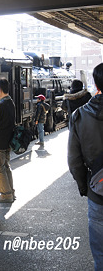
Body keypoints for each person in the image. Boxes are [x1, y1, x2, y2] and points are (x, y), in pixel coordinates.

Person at [68, 63, 103, 271]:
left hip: (97, 191)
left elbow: (74, 161)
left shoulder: (80, 116)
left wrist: (85, 187)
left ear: (96, 84)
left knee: (100, 253)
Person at [0, 78, 16, 203]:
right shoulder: (10, 102)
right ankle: (11, 192)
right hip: (7, 142)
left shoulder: (0, 105)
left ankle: (6, 195)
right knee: (6, 167)